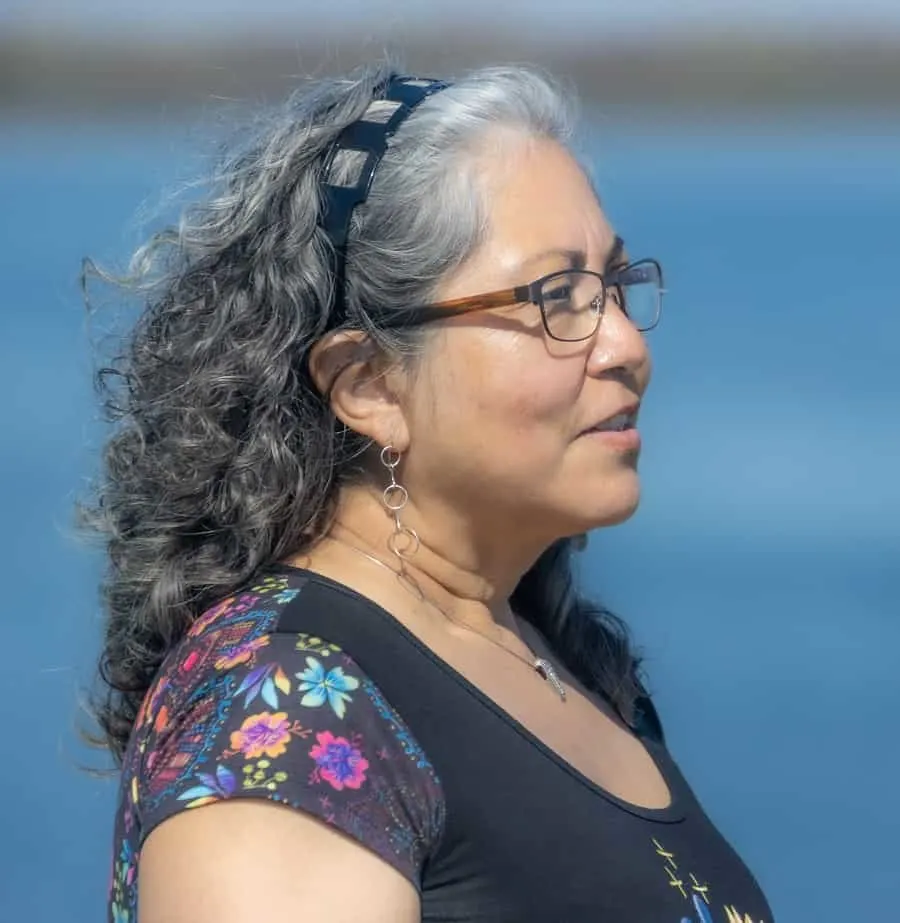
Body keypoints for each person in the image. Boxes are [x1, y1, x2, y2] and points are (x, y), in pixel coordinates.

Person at [85, 63, 773, 923]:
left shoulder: (562, 662)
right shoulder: (289, 704)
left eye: (618, 287)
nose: (626, 345)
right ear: (369, 382)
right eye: (559, 298)